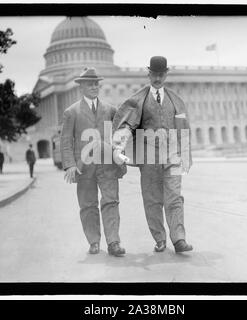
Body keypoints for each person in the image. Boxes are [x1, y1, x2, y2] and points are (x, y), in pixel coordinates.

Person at [112, 56, 193, 254]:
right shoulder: (139, 99)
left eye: (161, 74)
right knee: (152, 199)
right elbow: (127, 125)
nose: (157, 78)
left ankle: (179, 239)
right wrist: (118, 148)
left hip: (172, 156)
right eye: (154, 74)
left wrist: (185, 154)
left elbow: (183, 127)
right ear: (149, 74)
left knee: (174, 198)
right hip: (149, 158)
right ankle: (160, 238)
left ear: (166, 74)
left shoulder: (176, 101)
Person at [60, 67, 127, 257]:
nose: (94, 86)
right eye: (90, 83)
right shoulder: (71, 112)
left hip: (107, 165)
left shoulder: (110, 109)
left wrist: (118, 151)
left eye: (96, 83)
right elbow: (65, 141)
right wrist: (70, 164)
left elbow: (122, 132)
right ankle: (94, 242)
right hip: (84, 167)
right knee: (88, 205)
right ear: (81, 87)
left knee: (111, 202)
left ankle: (114, 242)